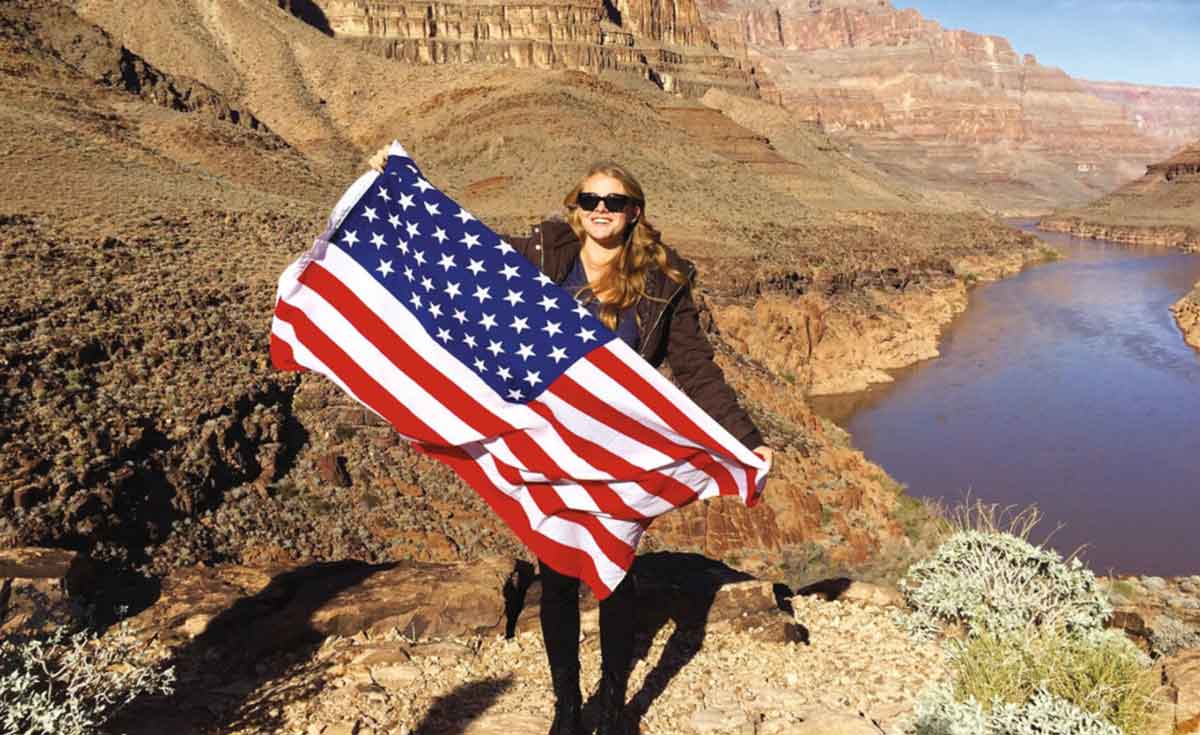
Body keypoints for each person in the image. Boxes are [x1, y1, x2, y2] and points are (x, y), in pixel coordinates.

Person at [370, 149, 771, 734]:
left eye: (614, 201)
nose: (600, 209)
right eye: (590, 200)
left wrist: (746, 438)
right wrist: (408, 184)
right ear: (576, 209)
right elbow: (465, 252)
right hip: (550, 442)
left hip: (618, 450)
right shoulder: (541, 256)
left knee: (615, 570)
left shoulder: (664, 281)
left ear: (634, 212)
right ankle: (566, 707)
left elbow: (697, 367)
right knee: (556, 570)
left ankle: (611, 708)